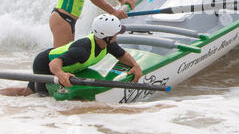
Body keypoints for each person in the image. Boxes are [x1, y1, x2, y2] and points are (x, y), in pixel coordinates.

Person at [0, 14, 143, 97]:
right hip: (44, 64)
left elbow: (123, 55)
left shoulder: (108, 43)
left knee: (27, 92)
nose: (118, 35)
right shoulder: (83, 49)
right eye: (116, 33)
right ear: (107, 36)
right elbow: (54, 63)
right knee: (40, 97)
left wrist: (135, 66)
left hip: (55, 64)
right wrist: (61, 75)